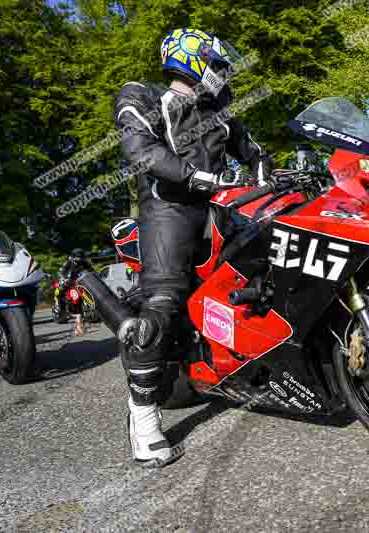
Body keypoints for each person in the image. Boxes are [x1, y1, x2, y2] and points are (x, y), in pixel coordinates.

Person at [113, 28, 274, 467]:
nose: (224, 74)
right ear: (193, 60)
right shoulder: (143, 94)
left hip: (221, 205)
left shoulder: (220, 111)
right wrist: (192, 175)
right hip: (169, 209)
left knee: (271, 265)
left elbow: (253, 151)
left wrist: (267, 174)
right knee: (161, 305)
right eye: (219, 65)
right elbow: (141, 152)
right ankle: (143, 419)